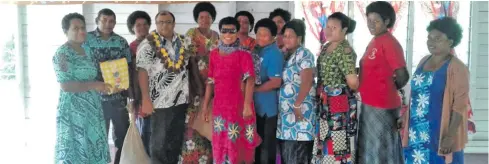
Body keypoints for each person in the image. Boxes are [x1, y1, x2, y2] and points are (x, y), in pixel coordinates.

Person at [402, 17, 469, 164]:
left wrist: (450, 136)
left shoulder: (458, 68)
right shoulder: (423, 61)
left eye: (437, 38)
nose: (431, 42)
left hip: (439, 132)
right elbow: (416, 95)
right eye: (429, 38)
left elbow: (460, 106)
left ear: (450, 42)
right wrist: (405, 117)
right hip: (416, 130)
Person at [201, 16, 261, 164]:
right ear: (220, 32)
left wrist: (247, 105)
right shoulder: (214, 54)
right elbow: (210, 81)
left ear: (237, 32)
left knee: (237, 143)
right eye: (224, 31)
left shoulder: (244, 54)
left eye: (231, 31)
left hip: (238, 106)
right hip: (220, 107)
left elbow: (250, 80)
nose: (228, 35)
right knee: (220, 141)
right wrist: (205, 106)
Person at [53, 13, 111, 164]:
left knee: (94, 144)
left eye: (83, 28)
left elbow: (90, 77)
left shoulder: (87, 51)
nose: (81, 31)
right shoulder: (62, 54)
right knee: (76, 148)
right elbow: (66, 85)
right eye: (76, 28)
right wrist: (95, 85)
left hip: (92, 108)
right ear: (66, 31)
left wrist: (104, 85)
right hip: (73, 110)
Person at [356, 2, 410, 164]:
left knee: (381, 151)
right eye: (369, 20)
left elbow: (402, 75)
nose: (371, 25)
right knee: (370, 149)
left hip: (383, 106)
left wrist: (385, 89)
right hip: (369, 104)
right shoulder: (375, 40)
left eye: (376, 21)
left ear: (386, 22)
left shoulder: (389, 42)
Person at [137, 11, 191, 164]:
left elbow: (190, 67)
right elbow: (142, 72)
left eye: (168, 22)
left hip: (181, 100)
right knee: (159, 143)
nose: (164, 25)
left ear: (173, 24)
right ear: (156, 24)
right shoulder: (147, 44)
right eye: (160, 22)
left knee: (175, 142)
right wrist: (146, 99)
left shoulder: (184, 41)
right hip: (159, 102)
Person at [311, 12, 359, 164]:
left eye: (334, 27)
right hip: (325, 103)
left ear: (344, 30)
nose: (329, 30)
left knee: (339, 142)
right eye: (328, 26)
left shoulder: (345, 51)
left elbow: (353, 83)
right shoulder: (326, 47)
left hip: (339, 104)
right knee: (324, 139)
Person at [85, 8, 132, 164]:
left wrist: (130, 92)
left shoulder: (120, 42)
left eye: (111, 21)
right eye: (104, 20)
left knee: (122, 136)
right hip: (95, 98)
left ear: (115, 23)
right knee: (97, 137)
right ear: (97, 20)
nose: (108, 24)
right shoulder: (86, 40)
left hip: (118, 98)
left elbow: (129, 67)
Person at [179, 2, 217, 163]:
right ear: (197, 19)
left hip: (214, 87)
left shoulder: (216, 35)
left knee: (210, 122)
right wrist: (198, 86)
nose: (204, 20)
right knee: (193, 123)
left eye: (208, 17)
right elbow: (189, 62)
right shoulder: (191, 34)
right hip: (196, 88)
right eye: (201, 17)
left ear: (212, 19)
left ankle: (208, 159)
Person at [277, 19, 317, 164]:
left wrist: (297, 104)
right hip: (287, 117)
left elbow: (306, 81)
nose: (286, 39)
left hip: (300, 112)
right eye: (285, 35)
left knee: (298, 155)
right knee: (288, 155)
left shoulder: (304, 54)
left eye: (290, 36)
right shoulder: (286, 54)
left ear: (299, 38)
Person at [252, 18, 284, 164]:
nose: (260, 37)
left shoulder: (274, 53)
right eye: (258, 34)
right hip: (256, 106)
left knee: (266, 145)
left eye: (265, 35)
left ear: (273, 36)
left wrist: (255, 89)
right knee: (257, 144)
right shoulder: (259, 50)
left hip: (268, 108)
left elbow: (276, 81)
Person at [126, 10, 152, 156]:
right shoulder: (130, 49)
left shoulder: (156, 43)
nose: (142, 28)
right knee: (144, 132)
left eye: (145, 24)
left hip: (158, 95)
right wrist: (134, 98)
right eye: (138, 25)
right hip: (140, 95)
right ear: (133, 28)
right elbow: (129, 74)